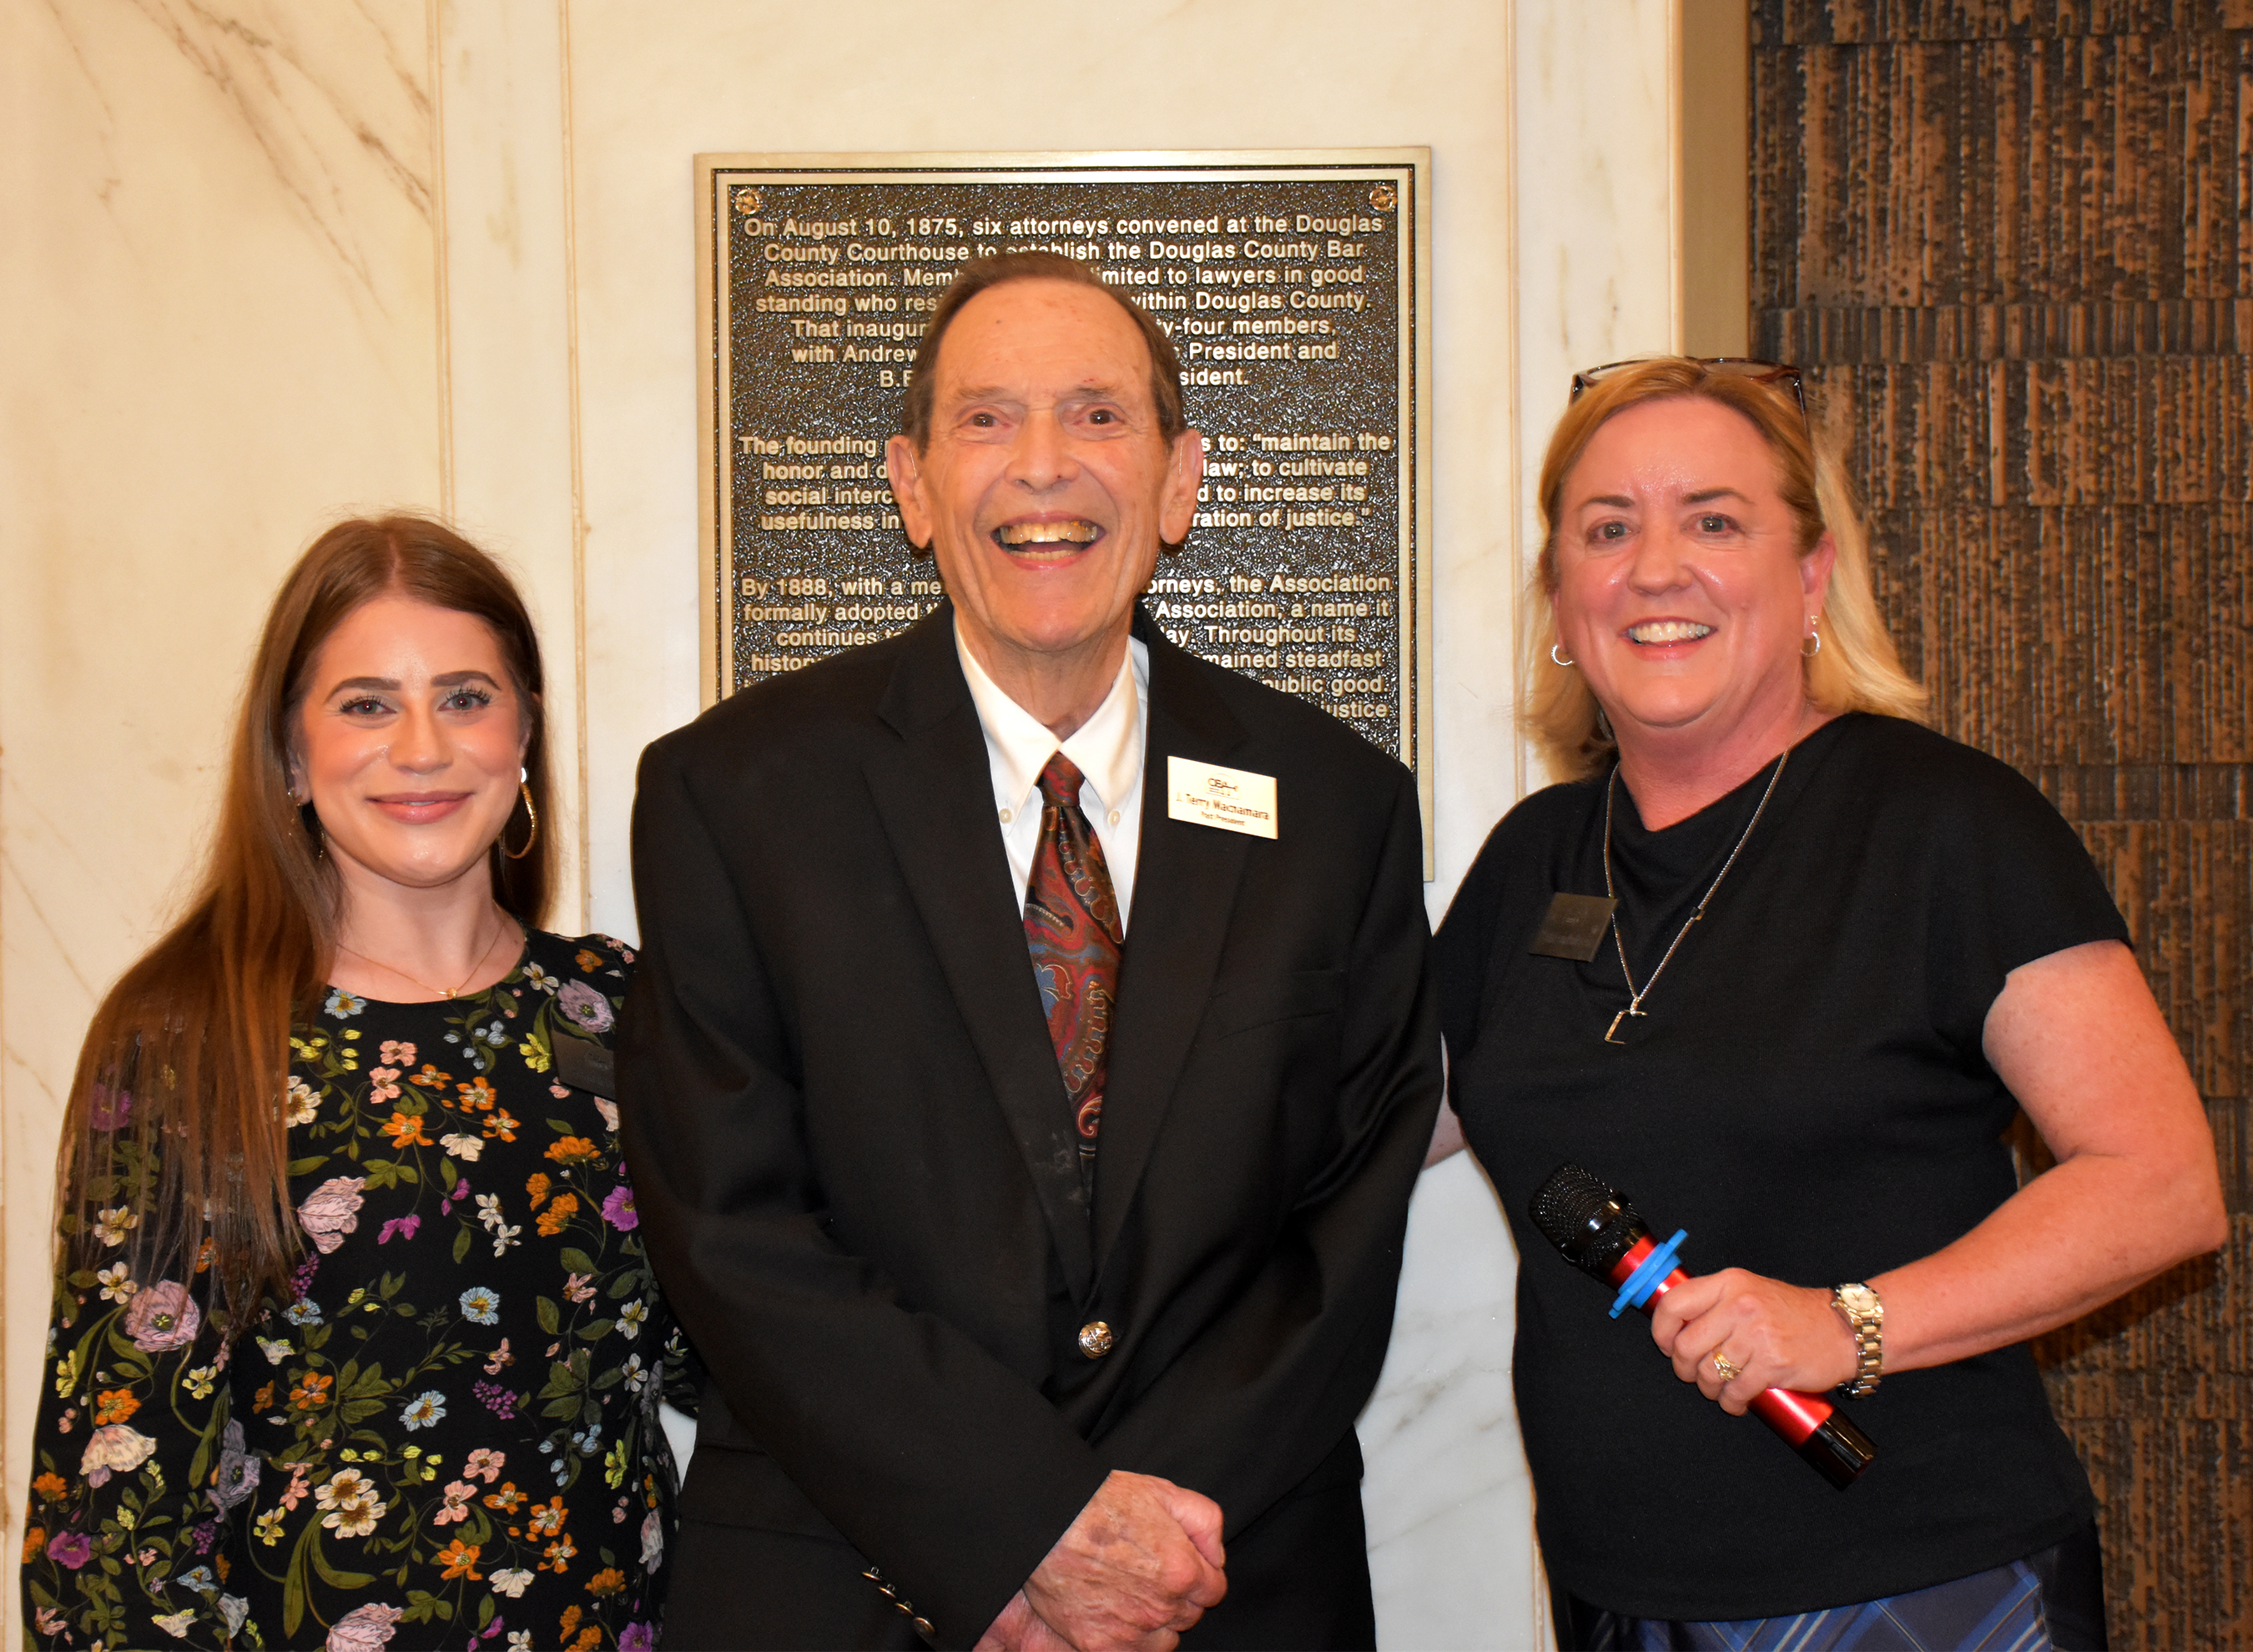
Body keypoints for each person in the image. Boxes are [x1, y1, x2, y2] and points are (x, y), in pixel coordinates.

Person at [617, 251, 1441, 1652]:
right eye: (988, 420)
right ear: (913, 483)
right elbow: (732, 1227)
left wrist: (1137, 1539)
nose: (1044, 468)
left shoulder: (1338, 806)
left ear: (1182, 481)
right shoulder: (735, 796)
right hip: (852, 1582)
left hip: (1222, 1576)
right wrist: (1020, 1525)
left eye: (1099, 416)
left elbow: (1341, 1230)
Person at [1428, 357, 2225, 1649]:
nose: (1656, 566)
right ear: (1563, 603)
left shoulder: (1945, 825)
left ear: (1811, 581)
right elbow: (1379, 1115)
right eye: (1608, 528)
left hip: (1918, 1586)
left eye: (1715, 520)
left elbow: (2160, 1184)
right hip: (1618, 1591)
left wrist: (1846, 1324)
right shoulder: (1537, 857)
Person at [21, 516, 688, 1652]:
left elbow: (743, 1358)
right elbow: (111, 1513)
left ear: (525, 733)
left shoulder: (621, 1016)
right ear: (290, 752)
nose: (422, 746)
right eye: (366, 704)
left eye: (468, 697)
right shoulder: (191, 1039)